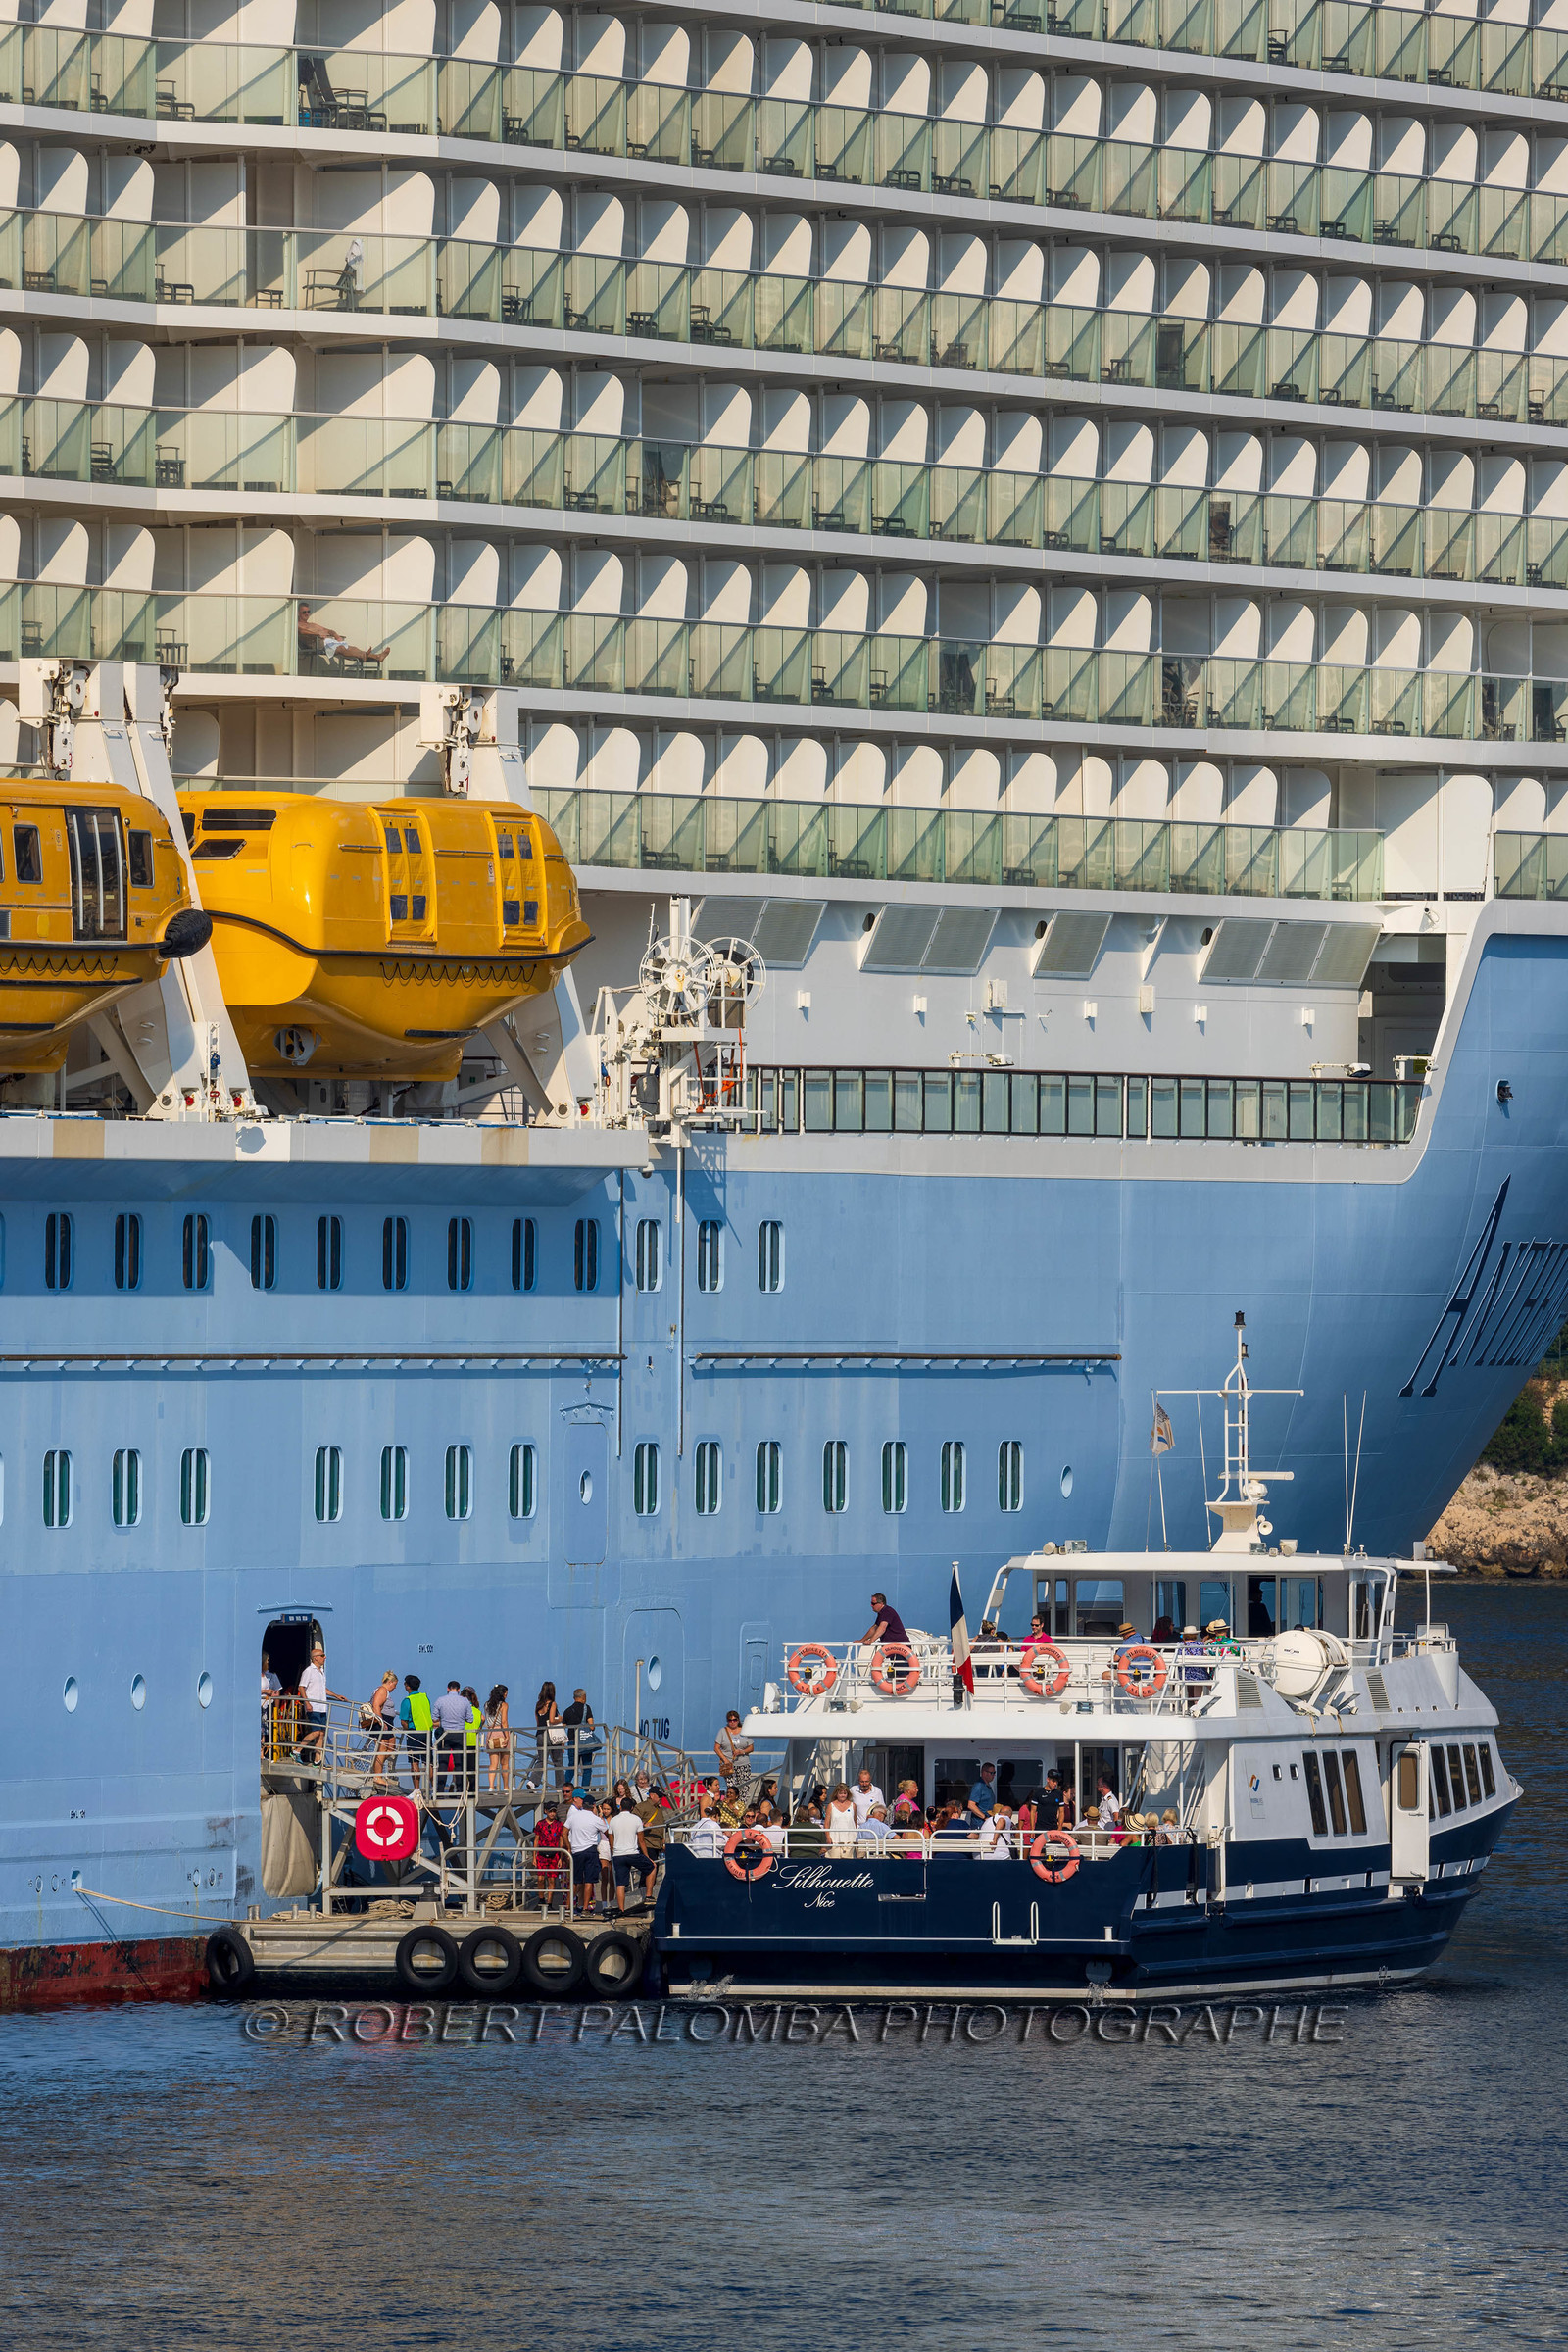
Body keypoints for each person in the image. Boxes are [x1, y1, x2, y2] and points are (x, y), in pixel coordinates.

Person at [296, 600, 388, 668]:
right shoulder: (297, 625)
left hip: (328, 641)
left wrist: (336, 636)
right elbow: (301, 632)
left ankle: (377, 656)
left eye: (308, 611)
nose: (307, 614)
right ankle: (369, 655)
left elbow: (329, 630)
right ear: (299, 613)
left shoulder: (312, 624)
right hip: (318, 644)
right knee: (342, 648)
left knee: (352, 648)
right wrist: (317, 635)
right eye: (304, 612)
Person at [297, 1642, 344, 1763]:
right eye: (322, 1656)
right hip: (314, 1706)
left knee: (322, 1733)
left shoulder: (321, 1671)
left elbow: (323, 1688)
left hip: (322, 1707)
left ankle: (317, 1759)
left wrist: (336, 1695)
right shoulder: (309, 1671)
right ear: (315, 1658)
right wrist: (307, 1703)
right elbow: (301, 1687)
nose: (325, 1658)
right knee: (316, 1731)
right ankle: (297, 1751)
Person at [564, 1789, 604, 1917]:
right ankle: (585, 1909)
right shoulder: (595, 1819)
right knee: (588, 1881)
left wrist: (569, 1847)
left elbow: (564, 1832)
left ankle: (568, 1907)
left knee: (575, 1881)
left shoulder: (574, 1816)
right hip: (591, 1851)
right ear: (593, 1806)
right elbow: (607, 1832)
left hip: (576, 1851)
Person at [609, 1799, 649, 1915]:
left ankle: (621, 1910)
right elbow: (641, 1841)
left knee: (620, 1884)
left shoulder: (613, 1820)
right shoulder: (636, 1819)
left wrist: (614, 1853)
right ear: (632, 1808)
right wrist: (646, 1856)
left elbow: (611, 1841)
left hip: (618, 1854)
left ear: (620, 1807)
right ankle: (649, 1895)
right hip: (632, 1853)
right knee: (652, 1868)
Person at [432, 1679, 469, 1794]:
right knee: (459, 1764)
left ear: (448, 1689)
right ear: (458, 1689)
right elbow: (470, 1719)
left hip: (445, 1734)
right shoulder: (465, 1702)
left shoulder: (440, 1700)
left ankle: (440, 1791)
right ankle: (460, 1791)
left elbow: (434, 1718)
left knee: (443, 1763)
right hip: (459, 1734)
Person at [634, 1783, 668, 1899]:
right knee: (647, 1871)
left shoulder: (658, 1809)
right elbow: (633, 1821)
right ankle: (642, 1897)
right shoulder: (642, 1806)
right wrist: (643, 1824)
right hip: (647, 1843)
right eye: (659, 1796)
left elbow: (661, 1825)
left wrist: (663, 1841)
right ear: (652, 1795)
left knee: (653, 1871)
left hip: (657, 1844)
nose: (660, 1799)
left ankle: (648, 1896)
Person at [399, 1673, 432, 1791]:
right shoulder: (425, 1697)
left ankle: (417, 1790)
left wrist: (407, 1729)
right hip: (427, 1732)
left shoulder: (407, 1701)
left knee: (414, 1762)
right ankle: (434, 1789)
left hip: (414, 1733)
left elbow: (403, 1721)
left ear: (407, 1686)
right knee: (429, 1762)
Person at [562, 1689, 600, 1786]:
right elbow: (591, 1727)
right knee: (587, 1768)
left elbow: (563, 1729)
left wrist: (562, 1743)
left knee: (572, 1767)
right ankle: (584, 1790)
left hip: (572, 1741)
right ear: (583, 1698)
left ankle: (564, 1787)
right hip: (585, 1742)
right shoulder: (587, 1708)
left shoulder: (567, 1711)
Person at [714, 1709, 755, 1799]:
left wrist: (741, 1752)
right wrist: (725, 1760)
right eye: (730, 1720)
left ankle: (741, 1808)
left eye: (734, 1720)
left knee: (744, 1788)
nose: (732, 1722)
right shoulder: (723, 1731)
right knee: (731, 1788)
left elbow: (751, 1747)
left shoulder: (744, 1731)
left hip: (743, 1764)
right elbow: (716, 1748)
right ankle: (732, 1808)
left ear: (738, 1720)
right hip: (729, 1765)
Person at [533, 1801, 565, 1911]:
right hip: (542, 1854)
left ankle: (549, 1903)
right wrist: (534, 1856)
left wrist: (560, 1857)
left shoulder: (559, 1825)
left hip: (554, 1854)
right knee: (541, 1879)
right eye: (550, 1811)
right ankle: (541, 1900)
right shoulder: (540, 1824)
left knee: (552, 1880)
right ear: (545, 1811)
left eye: (554, 1811)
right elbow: (536, 1840)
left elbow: (561, 1840)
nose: (552, 1813)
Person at [534, 1682, 564, 1784]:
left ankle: (533, 1781)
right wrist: (559, 1719)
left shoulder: (538, 1705)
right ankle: (560, 1786)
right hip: (550, 1735)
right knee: (558, 1761)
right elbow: (551, 1720)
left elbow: (538, 1723)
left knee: (541, 1760)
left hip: (540, 1734)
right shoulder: (552, 1704)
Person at [484, 1684, 511, 1794]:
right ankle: (505, 1787)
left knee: (493, 1764)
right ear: (502, 1694)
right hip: (501, 1732)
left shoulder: (486, 1704)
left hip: (490, 1733)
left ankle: (491, 1787)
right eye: (505, 1693)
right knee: (504, 1763)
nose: (506, 1695)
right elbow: (504, 1722)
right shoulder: (504, 1705)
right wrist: (507, 1735)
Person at [686, 1795, 725, 1859]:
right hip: (712, 1857)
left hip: (697, 1858)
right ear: (716, 1816)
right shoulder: (714, 1825)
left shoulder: (695, 1826)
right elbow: (720, 1844)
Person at [824, 1785, 858, 1855]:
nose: (842, 1795)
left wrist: (856, 1836)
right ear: (836, 1794)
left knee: (848, 1862)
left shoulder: (853, 1805)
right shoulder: (831, 1805)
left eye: (844, 1793)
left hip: (849, 1839)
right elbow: (826, 1823)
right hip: (834, 1839)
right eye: (840, 1793)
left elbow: (855, 1822)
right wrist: (828, 1837)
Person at [261, 1653, 281, 1754]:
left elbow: (277, 1692)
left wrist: (276, 1710)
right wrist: (265, 1691)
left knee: (263, 1730)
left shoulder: (271, 1675)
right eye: (267, 1661)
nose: (268, 1663)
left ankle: (262, 1754)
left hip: (266, 1706)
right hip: (259, 1705)